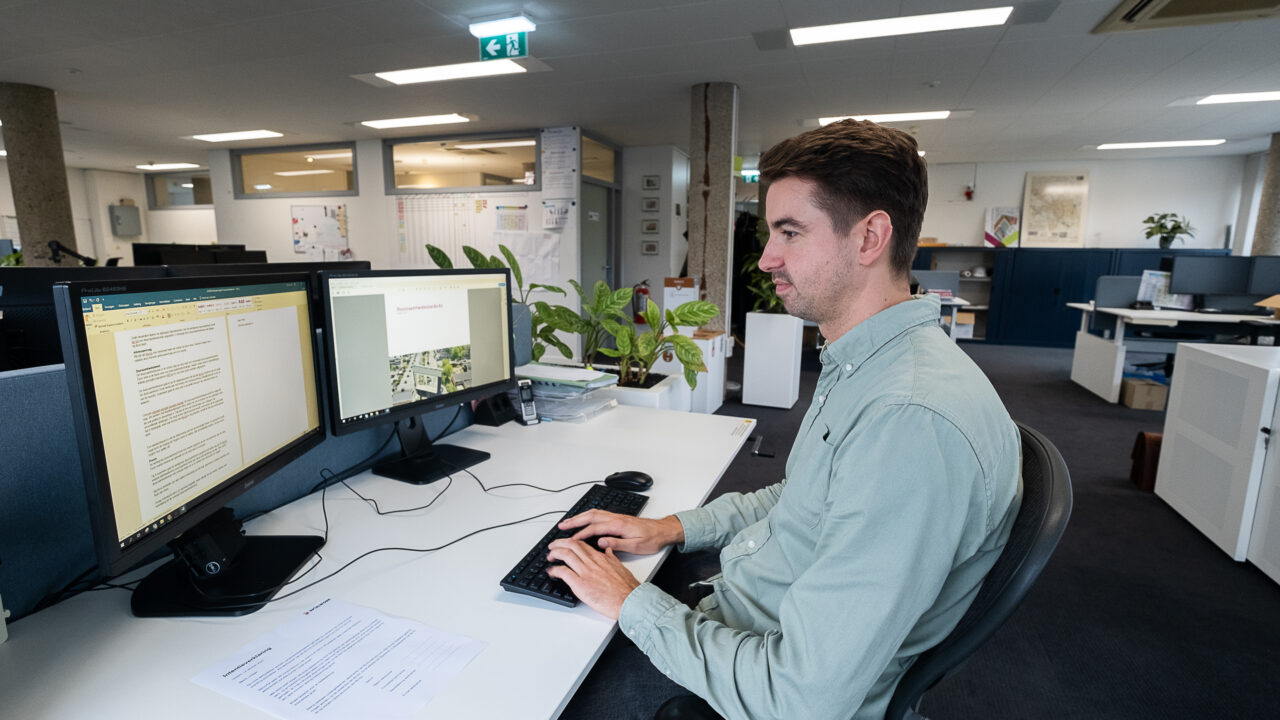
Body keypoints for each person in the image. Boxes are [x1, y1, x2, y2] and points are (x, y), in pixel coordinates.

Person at [547, 119, 1022, 720]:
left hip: (757, 681)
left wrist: (632, 604)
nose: (767, 257)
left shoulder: (908, 420)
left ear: (870, 237)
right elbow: (802, 498)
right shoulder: (866, 362)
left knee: (533, 674)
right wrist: (670, 529)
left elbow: (799, 697)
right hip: (743, 613)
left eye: (790, 232)